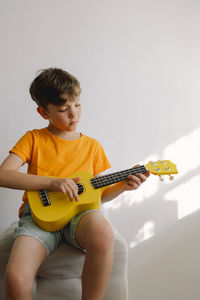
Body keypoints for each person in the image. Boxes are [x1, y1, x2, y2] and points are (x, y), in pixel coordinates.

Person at [0, 68, 150, 300]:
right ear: (43, 112)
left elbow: (99, 194)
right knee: (16, 277)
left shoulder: (92, 146)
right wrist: (51, 182)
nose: (74, 115)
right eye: (63, 109)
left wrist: (123, 185)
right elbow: (3, 175)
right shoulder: (33, 139)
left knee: (103, 232)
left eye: (77, 105)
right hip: (38, 218)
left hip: (81, 216)